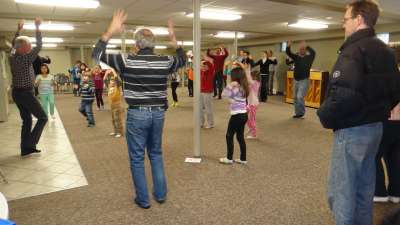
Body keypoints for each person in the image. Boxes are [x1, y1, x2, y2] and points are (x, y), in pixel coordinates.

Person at [316, 1, 400, 224]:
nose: (344, 25)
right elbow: (395, 91)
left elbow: (343, 94)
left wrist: (323, 115)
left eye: (346, 20)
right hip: (376, 129)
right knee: (364, 189)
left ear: (359, 18)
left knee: (342, 192)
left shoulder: (353, 50)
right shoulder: (386, 51)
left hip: (352, 130)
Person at [92, 10, 185, 209]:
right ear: (154, 45)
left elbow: (96, 54)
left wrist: (111, 30)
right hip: (158, 113)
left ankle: (143, 199)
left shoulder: (126, 60)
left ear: (136, 45)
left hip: (137, 114)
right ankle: (160, 195)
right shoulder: (165, 61)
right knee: (156, 154)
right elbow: (183, 59)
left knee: (136, 158)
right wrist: (174, 39)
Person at [10, 18, 47, 157]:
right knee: (43, 117)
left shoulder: (13, 56)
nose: (31, 47)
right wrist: (37, 27)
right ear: (22, 48)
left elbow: (14, 43)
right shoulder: (25, 58)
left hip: (17, 93)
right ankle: (30, 144)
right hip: (25, 93)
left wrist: (19, 30)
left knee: (27, 120)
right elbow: (39, 45)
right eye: (28, 45)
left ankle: (25, 149)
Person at [219, 65, 249, 165]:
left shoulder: (235, 86)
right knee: (240, 136)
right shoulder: (244, 85)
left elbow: (223, 94)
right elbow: (230, 97)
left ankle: (229, 158)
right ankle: (243, 159)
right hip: (244, 114)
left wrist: (230, 85)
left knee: (229, 135)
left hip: (237, 115)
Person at [286, 41, 315, 118]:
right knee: (295, 97)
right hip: (296, 80)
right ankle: (297, 113)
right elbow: (289, 53)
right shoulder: (296, 57)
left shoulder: (309, 58)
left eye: (303, 49)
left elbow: (313, 52)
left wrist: (307, 46)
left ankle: (301, 112)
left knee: (299, 97)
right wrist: (288, 46)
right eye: (300, 49)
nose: (301, 50)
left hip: (304, 80)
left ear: (305, 50)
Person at [374, 118, 400, 203]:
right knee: (394, 158)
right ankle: (395, 193)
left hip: (386, 121)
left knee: (373, 157)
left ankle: (379, 192)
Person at [104, 69, 123, 138]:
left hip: (117, 104)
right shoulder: (109, 87)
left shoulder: (117, 87)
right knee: (113, 119)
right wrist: (106, 73)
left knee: (117, 118)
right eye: (111, 80)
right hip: (111, 104)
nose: (112, 81)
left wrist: (114, 72)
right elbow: (104, 80)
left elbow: (118, 81)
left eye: (113, 80)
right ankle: (115, 131)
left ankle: (120, 132)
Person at [200, 54, 215, 129]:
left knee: (208, 108)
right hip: (201, 91)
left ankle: (210, 123)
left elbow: (210, 63)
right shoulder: (201, 72)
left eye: (205, 66)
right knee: (200, 108)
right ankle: (201, 122)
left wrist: (205, 58)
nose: (203, 67)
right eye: (202, 66)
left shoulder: (210, 71)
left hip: (207, 92)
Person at [245, 67, 260, 139]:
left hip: (253, 104)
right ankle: (251, 128)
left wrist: (246, 70)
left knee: (252, 119)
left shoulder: (255, 83)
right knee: (244, 115)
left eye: (251, 76)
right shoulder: (252, 83)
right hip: (250, 103)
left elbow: (248, 79)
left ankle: (254, 134)